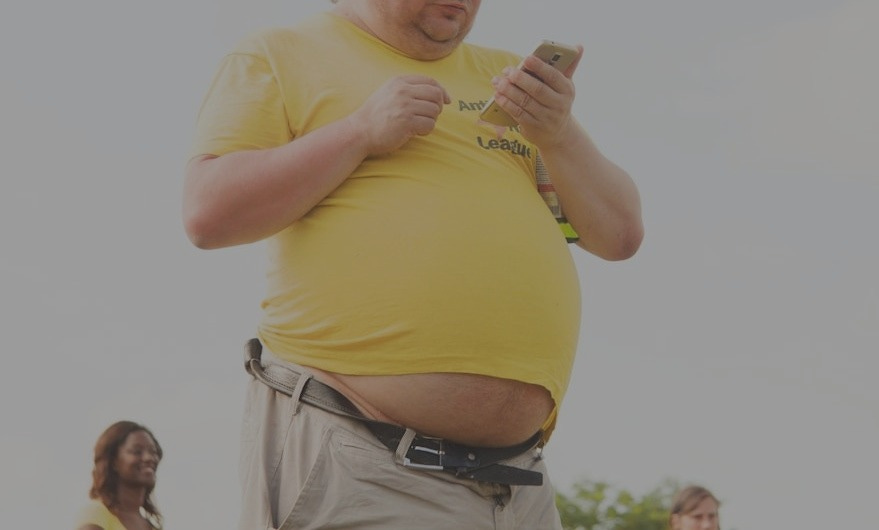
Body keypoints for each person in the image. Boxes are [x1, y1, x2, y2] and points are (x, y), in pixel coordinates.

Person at [183, 1, 643, 528]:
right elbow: (208, 214)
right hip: (360, 461)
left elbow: (620, 235)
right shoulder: (277, 53)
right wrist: (359, 131)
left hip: (515, 488)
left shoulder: (508, 79)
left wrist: (559, 133)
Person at [75, 421, 163, 530]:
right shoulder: (97, 514)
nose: (149, 458)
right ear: (113, 461)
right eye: (137, 451)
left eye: (153, 451)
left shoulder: (152, 526)